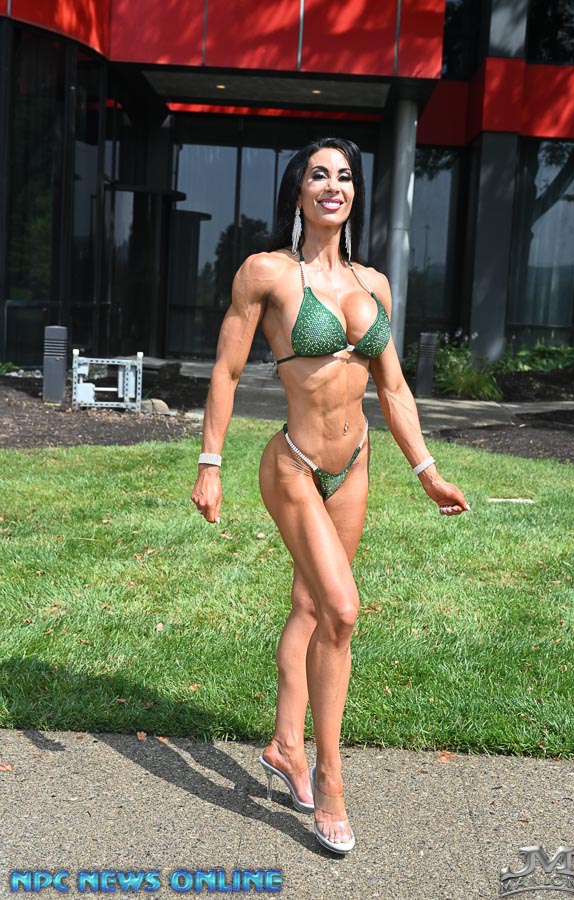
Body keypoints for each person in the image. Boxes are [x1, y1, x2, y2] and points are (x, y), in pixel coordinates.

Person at [190, 137, 470, 855]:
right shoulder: (267, 274)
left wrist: (427, 470)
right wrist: (210, 464)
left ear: (354, 194)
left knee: (313, 608)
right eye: (319, 175)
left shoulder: (374, 283)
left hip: (357, 464)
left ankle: (285, 745)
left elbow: (394, 388)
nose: (333, 186)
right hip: (293, 463)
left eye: (344, 176)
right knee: (343, 611)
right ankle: (331, 779)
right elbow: (225, 371)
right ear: (298, 190)